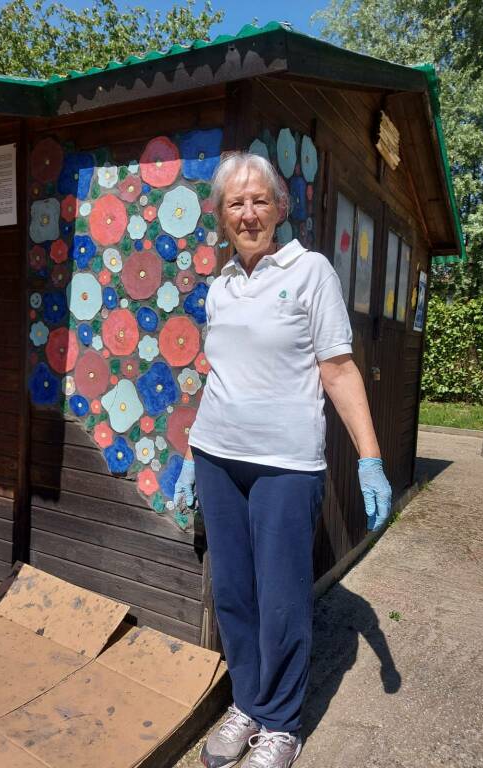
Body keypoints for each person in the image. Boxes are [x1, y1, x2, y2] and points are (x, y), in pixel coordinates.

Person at [173, 152, 392, 768]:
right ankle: (248, 702)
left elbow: (338, 369)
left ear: (281, 207)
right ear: (221, 217)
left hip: (284, 465)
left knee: (281, 598)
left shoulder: (311, 271)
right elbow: (219, 372)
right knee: (235, 593)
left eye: (259, 200)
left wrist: (369, 458)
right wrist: (193, 451)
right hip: (218, 458)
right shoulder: (220, 287)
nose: (248, 213)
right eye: (235, 203)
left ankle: (281, 724)